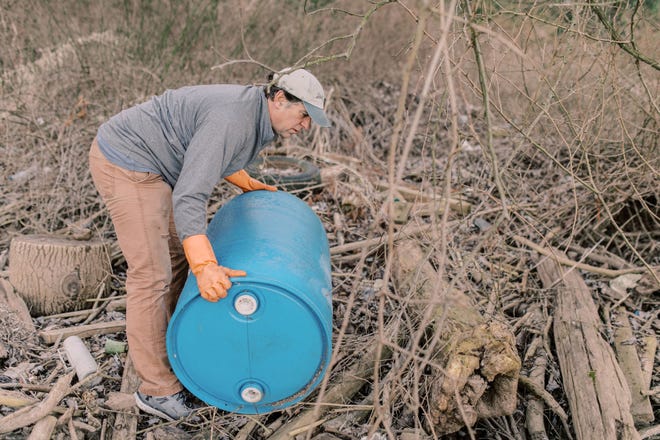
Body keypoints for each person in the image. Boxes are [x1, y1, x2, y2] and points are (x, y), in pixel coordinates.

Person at [88, 68, 330, 421]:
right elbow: (190, 195)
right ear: (279, 99)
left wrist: (245, 181)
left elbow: (209, 151)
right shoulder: (233, 117)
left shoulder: (255, 114)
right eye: (304, 114)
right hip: (129, 163)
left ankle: (179, 351)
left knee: (176, 259)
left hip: (159, 168)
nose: (305, 125)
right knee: (152, 275)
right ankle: (156, 391)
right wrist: (206, 266)